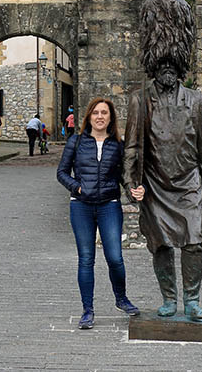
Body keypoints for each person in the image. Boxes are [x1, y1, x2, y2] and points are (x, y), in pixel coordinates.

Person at [123, 0, 202, 323]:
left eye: (172, 69)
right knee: (160, 245)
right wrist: (131, 183)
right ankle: (169, 299)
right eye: (162, 69)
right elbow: (131, 146)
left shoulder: (196, 101)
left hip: (188, 183)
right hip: (155, 185)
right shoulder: (139, 100)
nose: (167, 74)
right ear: (155, 68)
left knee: (194, 242)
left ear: (179, 69)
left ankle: (192, 300)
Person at [57, 96, 141, 329]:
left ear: (111, 117)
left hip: (109, 205)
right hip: (81, 206)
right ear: (89, 117)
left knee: (115, 257)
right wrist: (77, 187)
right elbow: (61, 172)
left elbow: (126, 177)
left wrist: (135, 192)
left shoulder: (118, 144)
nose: (100, 117)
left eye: (104, 113)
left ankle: (121, 298)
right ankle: (87, 310)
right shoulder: (76, 141)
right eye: (96, 113)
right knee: (86, 259)